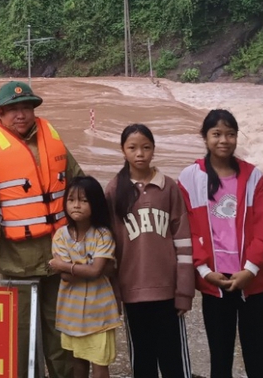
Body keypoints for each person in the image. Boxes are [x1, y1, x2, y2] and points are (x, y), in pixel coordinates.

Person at [0, 81, 83, 378]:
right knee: (20, 335)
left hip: (60, 255)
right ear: (0, 114)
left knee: (61, 334)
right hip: (18, 260)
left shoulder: (51, 139)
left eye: (27, 107)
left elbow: (78, 183)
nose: (21, 114)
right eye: (14, 109)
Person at [177, 109, 263, 378]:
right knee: (220, 359)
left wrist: (251, 269)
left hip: (252, 281)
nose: (224, 140)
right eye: (217, 134)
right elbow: (184, 231)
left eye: (230, 134)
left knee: (262, 358)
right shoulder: (189, 178)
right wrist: (202, 271)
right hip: (215, 281)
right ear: (205, 137)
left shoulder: (252, 177)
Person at [105, 124, 194, 378]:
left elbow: (183, 240)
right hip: (133, 291)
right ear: (123, 151)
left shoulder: (168, 188)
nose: (140, 154)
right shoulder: (114, 190)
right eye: (132, 148)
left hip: (167, 290)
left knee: (173, 359)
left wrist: (184, 290)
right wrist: (115, 293)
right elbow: (108, 246)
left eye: (146, 147)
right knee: (142, 361)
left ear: (154, 150)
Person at [49, 176, 121, 378]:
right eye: (71, 200)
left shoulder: (102, 234)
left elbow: (95, 270)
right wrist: (86, 268)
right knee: (77, 364)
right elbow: (67, 277)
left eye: (83, 200)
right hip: (70, 313)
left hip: (100, 313)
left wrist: (63, 264)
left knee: (99, 365)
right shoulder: (61, 235)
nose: (76, 206)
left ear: (95, 203)